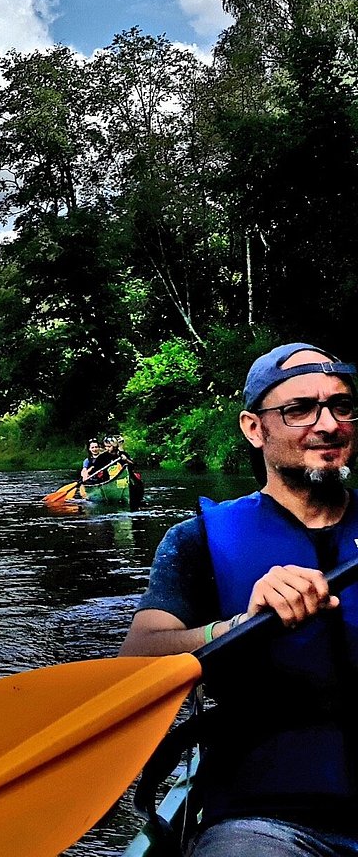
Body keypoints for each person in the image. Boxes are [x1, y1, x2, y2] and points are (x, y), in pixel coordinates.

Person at [120, 342, 358, 856]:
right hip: (269, 823)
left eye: (342, 406)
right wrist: (233, 627)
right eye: (299, 410)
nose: (329, 424)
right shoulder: (198, 542)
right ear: (254, 428)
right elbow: (136, 662)